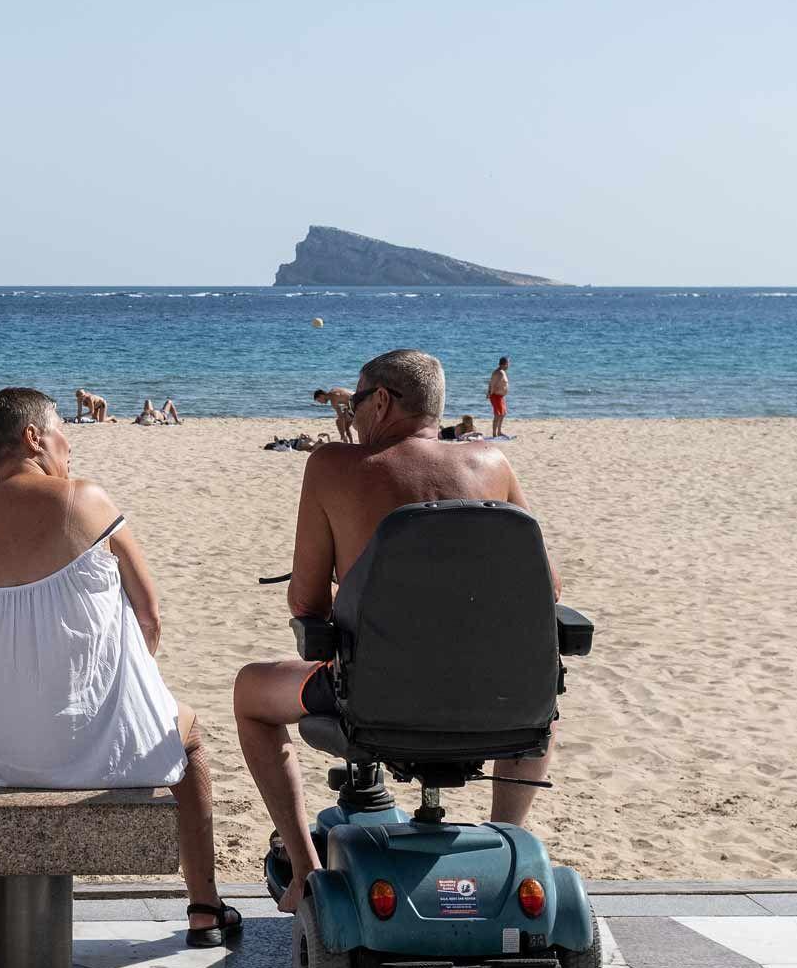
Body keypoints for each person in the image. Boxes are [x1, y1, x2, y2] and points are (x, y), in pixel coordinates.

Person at [232, 350, 557, 911]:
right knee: (540, 701)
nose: (352, 415)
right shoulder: (493, 464)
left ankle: (305, 872)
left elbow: (306, 603)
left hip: (375, 699)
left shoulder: (334, 466)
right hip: (501, 702)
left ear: (380, 401)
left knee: (249, 694)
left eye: (355, 402)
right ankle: (506, 841)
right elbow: (545, 590)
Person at [0, 388, 237, 946]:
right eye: (61, 434)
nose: (68, 448)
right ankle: (204, 908)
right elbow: (150, 618)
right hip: (83, 745)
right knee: (190, 740)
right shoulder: (84, 499)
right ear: (33, 438)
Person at [488, 357, 510, 438]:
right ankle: (494, 434)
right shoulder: (499, 373)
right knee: (497, 415)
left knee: (503, 413)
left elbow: (492, 382)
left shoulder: (502, 372)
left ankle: (499, 431)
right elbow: (492, 383)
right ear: (505, 364)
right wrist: (490, 393)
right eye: (508, 363)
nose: (509, 365)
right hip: (496, 396)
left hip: (500, 396)